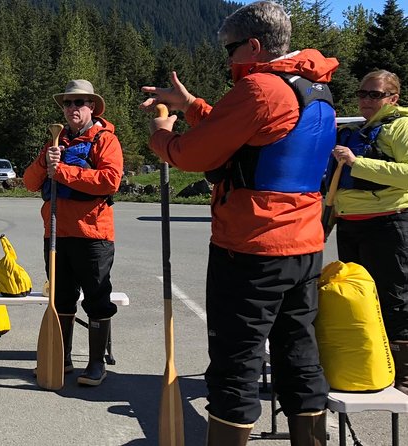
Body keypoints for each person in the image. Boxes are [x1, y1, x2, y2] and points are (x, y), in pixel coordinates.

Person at [141, 1, 337, 444]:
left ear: (253, 45)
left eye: (231, 50)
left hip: (253, 249)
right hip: (304, 245)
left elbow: (195, 154)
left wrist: (161, 134)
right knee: (299, 355)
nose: (228, 60)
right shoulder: (312, 87)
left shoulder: (260, 90)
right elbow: (249, 134)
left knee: (236, 364)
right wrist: (191, 104)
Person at [23, 79, 123, 386]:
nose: (71, 109)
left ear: (91, 106)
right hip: (56, 234)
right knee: (62, 297)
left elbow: (109, 181)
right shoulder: (56, 143)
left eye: (78, 103)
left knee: (96, 298)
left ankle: (95, 364)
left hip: (93, 234)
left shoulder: (105, 140)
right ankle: (62, 357)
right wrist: (45, 161)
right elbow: (29, 182)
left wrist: (63, 171)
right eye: (67, 103)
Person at [331, 69, 408, 395]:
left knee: (394, 300)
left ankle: (403, 375)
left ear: (393, 98)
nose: (366, 100)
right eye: (363, 93)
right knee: (360, 299)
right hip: (351, 224)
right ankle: (371, 364)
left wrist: (356, 163)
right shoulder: (357, 130)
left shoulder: (400, 126)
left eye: (374, 95)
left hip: (387, 223)